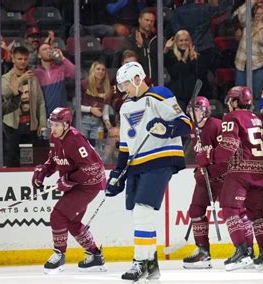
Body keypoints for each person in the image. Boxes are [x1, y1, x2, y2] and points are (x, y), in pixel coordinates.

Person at [105, 62, 192, 281]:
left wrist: (166, 128)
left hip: (160, 159)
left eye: (125, 83)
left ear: (137, 78)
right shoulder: (125, 107)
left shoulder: (159, 95)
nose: (123, 88)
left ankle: (140, 263)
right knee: (139, 215)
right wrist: (118, 173)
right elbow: (126, 144)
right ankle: (152, 265)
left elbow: (185, 124)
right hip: (137, 164)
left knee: (143, 212)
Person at [31, 107, 107, 274]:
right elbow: (54, 159)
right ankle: (95, 255)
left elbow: (93, 168)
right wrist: (42, 172)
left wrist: (69, 180)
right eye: (52, 124)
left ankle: (59, 255)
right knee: (71, 222)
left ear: (66, 125)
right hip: (77, 183)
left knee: (58, 215)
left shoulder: (75, 140)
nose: (54, 129)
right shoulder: (54, 137)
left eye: (58, 125)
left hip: (89, 185)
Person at [213, 86, 263, 271]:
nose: (229, 104)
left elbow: (228, 147)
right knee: (256, 214)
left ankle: (243, 252)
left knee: (230, 209)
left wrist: (210, 158)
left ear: (236, 101)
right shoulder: (258, 118)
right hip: (260, 171)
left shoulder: (232, 117)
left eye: (231, 100)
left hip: (240, 171)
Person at [182, 96, 222, 269]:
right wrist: (200, 168)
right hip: (205, 176)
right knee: (195, 209)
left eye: (196, 109)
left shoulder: (215, 124)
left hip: (222, 176)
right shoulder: (193, 128)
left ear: (205, 110)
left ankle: (246, 250)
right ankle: (203, 252)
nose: (193, 113)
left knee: (234, 212)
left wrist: (212, 166)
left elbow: (225, 152)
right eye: (191, 110)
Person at [233, 0, 263, 101]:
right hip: (242, 64)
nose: (257, 16)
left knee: (257, 96)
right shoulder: (248, 24)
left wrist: (259, 26)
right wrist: (251, 2)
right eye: (256, 13)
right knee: (239, 94)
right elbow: (240, 13)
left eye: (261, 14)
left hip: (258, 65)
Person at [35, 43, 75, 115]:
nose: (48, 51)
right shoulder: (36, 73)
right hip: (44, 116)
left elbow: (77, 74)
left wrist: (62, 58)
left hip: (61, 116)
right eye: (45, 49)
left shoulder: (60, 69)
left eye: (50, 49)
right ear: (39, 55)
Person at [80, 60, 113, 146]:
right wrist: (91, 109)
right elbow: (76, 106)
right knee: (83, 146)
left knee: (97, 148)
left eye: (103, 70)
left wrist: (107, 121)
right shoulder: (84, 84)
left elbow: (105, 110)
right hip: (84, 121)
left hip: (98, 123)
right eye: (98, 69)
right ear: (93, 70)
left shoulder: (107, 88)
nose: (101, 71)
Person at [126, 8, 158, 84]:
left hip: (156, 82)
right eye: (147, 20)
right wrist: (140, 47)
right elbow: (128, 60)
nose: (149, 23)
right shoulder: (131, 38)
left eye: (152, 21)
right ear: (139, 20)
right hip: (138, 83)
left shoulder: (157, 39)